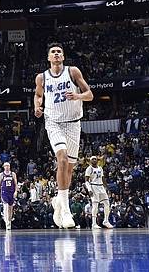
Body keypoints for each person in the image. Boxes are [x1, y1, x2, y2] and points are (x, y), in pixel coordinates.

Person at [33, 44, 93, 229]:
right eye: (53, 52)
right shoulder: (42, 77)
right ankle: (66, 211)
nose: (56, 54)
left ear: (63, 56)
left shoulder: (73, 72)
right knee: (62, 159)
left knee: (69, 170)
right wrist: (37, 106)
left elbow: (90, 95)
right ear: (49, 58)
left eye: (59, 51)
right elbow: (38, 95)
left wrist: (77, 96)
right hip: (53, 122)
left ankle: (59, 201)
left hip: (73, 123)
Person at [85, 155, 113, 229]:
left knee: (107, 203)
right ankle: (94, 223)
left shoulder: (100, 168)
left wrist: (107, 188)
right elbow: (86, 181)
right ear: (90, 161)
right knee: (95, 205)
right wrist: (89, 189)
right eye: (93, 159)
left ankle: (106, 221)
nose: (94, 160)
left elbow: (103, 179)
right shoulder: (89, 169)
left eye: (95, 159)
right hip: (93, 187)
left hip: (101, 187)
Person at [0, 162, 19, 230]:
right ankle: (7, 222)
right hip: (4, 193)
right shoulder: (1, 174)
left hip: (11, 192)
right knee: (6, 206)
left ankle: (9, 221)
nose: (7, 167)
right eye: (6, 166)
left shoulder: (13, 174)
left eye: (8, 166)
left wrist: (16, 191)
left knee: (10, 208)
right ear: (4, 167)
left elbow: (15, 184)